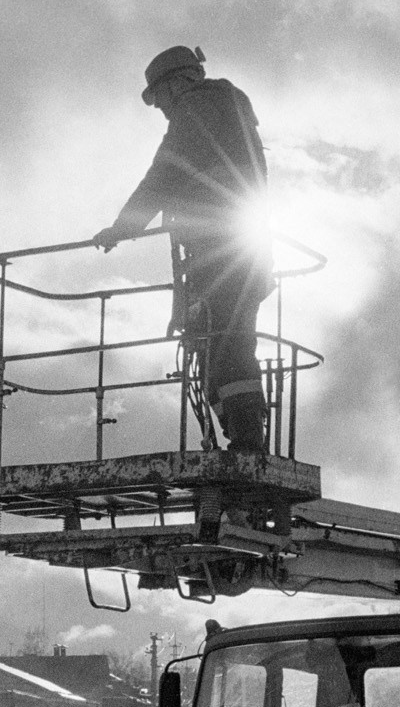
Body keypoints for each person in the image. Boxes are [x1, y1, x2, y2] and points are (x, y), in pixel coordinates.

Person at [92, 45, 274, 452]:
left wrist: (122, 228)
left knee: (225, 346)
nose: (161, 109)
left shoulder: (198, 108)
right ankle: (243, 435)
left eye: (159, 98)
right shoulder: (227, 110)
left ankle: (246, 438)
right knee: (222, 345)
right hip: (241, 253)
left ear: (178, 83)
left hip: (222, 255)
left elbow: (162, 175)